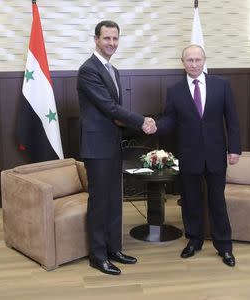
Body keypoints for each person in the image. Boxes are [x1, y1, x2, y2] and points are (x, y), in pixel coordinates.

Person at [77, 20, 156, 275]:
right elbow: (109, 108)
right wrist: (142, 121)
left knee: (114, 201)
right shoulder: (88, 70)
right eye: (107, 38)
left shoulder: (114, 70)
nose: (112, 43)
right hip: (97, 147)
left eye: (115, 38)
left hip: (112, 145)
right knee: (100, 202)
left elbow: (115, 114)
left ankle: (114, 248)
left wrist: (135, 122)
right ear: (96, 40)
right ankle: (97, 256)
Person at [153, 44, 241, 267]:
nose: (194, 64)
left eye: (197, 60)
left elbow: (232, 120)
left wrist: (235, 149)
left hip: (215, 154)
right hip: (189, 155)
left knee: (217, 201)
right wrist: (154, 125)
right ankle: (194, 240)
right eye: (189, 60)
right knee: (191, 202)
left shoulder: (221, 85)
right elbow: (170, 120)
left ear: (204, 60)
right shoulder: (174, 91)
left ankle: (225, 246)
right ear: (183, 63)